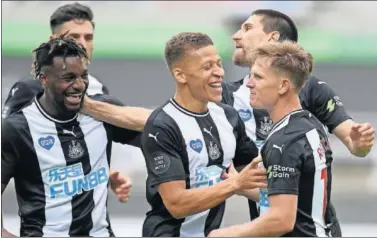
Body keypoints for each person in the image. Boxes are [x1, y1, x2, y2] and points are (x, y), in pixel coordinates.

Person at [79, 32, 268, 237]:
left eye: (218, 64)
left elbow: (255, 177)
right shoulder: (162, 125)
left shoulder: (228, 116)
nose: (219, 73)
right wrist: (235, 184)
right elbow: (176, 204)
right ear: (180, 75)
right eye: (207, 67)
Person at [221, 9, 375, 236]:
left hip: (298, 225)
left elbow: (354, 142)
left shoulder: (300, 107)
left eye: (247, 28)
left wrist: (225, 233)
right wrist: (237, 185)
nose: (236, 35)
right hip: (280, 219)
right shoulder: (227, 96)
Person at [1, 2, 140, 206]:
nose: (82, 43)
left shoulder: (99, 91)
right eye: (74, 37)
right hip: (44, 218)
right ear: (53, 41)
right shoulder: (29, 89)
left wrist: (104, 174)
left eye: (88, 37)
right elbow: (8, 150)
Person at [209, 40, 333, 237]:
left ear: (283, 86)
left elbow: (281, 219)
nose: (249, 83)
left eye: (257, 77)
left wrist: (226, 234)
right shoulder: (308, 124)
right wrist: (239, 185)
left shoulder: (285, 140)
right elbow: (295, 201)